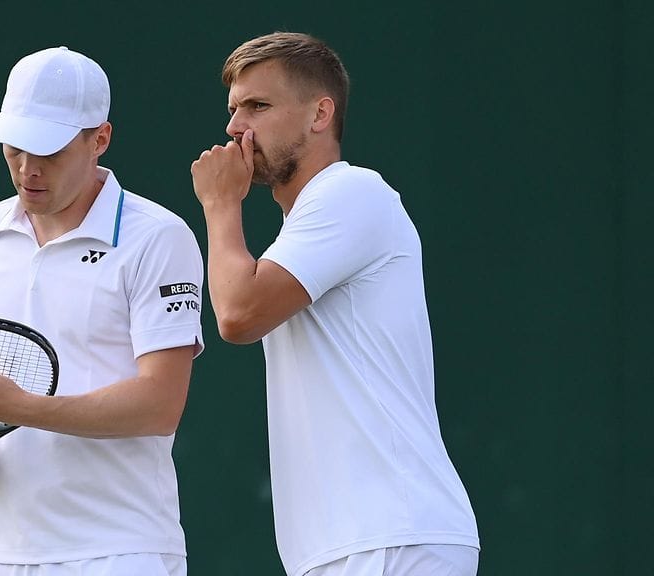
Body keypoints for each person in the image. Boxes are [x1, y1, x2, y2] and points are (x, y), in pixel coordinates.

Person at [190, 32, 480, 576]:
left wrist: (221, 203)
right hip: (353, 547)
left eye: (258, 106)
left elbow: (237, 314)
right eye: (233, 110)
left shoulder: (352, 193)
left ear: (320, 113)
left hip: (392, 539)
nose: (234, 129)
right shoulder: (303, 228)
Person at [0, 46, 204, 576]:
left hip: (123, 553)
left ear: (100, 138)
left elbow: (160, 404)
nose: (27, 169)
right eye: (15, 148)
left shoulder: (159, 238)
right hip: (9, 555)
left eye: (48, 151)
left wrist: (22, 407)